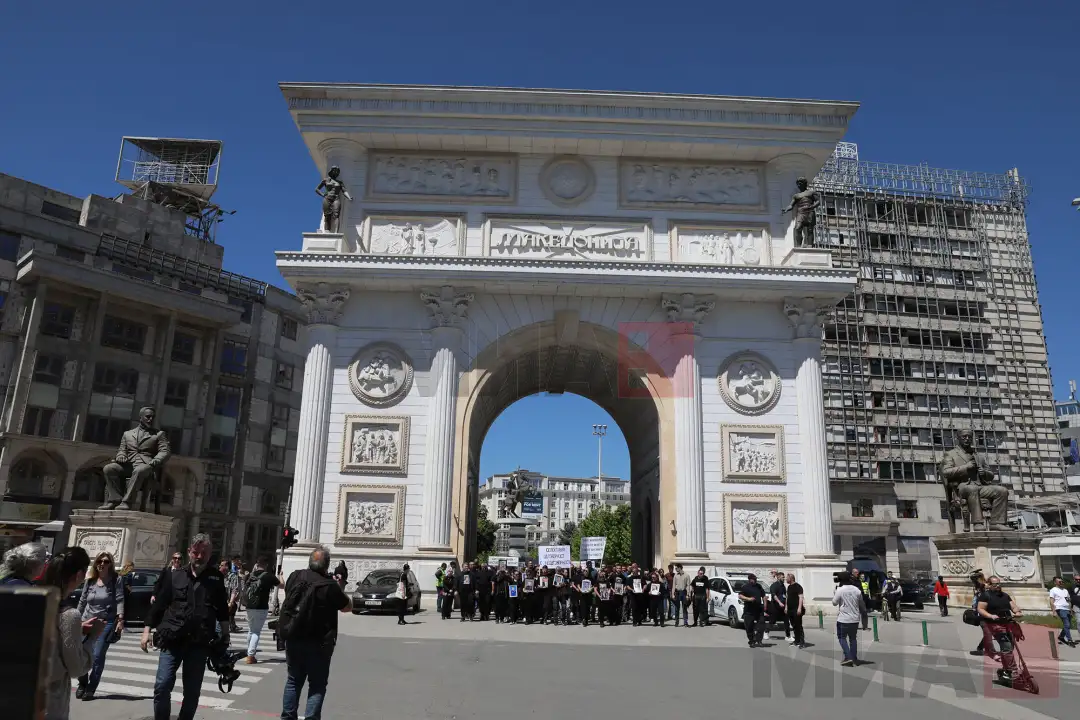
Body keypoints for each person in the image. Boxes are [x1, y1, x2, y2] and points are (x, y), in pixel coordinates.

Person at [141, 533, 230, 720]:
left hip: (199, 643)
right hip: (172, 639)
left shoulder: (216, 579)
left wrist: (225, 634)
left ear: (210, 554)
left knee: (192, 691)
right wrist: (147, 630)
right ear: (189, 552)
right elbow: (159, 605)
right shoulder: (175, 576)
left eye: (204, 553)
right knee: (162, 685)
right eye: (196, 552)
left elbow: (222, 609)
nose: (199, 556)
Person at [280, 546, 353, 720]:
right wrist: (339, 587)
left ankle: (287, 717)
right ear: (326, 565)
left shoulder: (295, 576)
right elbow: (347, 607)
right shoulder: (329, 585)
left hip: (294, 636)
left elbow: (288, 593)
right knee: (317, 685)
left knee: (293, 680)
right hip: (319, 642)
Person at [43, 547, 99, 720]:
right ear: (79, 575)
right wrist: (93, 637)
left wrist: (78, 628)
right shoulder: (69, 615)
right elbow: (77, 668)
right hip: (50, 700)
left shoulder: (33, 599)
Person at [75, 551, 125, 701]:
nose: (102, 564)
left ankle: (91, 688)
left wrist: (120, 619)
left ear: (110, 564)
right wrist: (76, 618)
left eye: (106, 562)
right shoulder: (90, 581)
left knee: (97, 656)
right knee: (81, 654)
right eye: (99, 561)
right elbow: (82, 601)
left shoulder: (116, 580)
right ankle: (82, 683)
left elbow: (120, 599)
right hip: (86, 620)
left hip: (105, 622)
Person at [977, 576, 1023, 679]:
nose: (998, 586)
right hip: (994, 625)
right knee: (1006, 647)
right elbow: (980, 609)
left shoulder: (1005, 595)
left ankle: (1005, 670)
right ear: (989, 585)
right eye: (995, 584)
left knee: (1010, 647)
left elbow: (1013, 606)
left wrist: (1017, 612)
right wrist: (990, 616)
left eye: (999, 583)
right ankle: (1012, 671)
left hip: (1007, 623)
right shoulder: (986, 595)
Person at [243, 557, 281, 663]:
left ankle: (249, 653)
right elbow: (282, 585)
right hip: (261, 606)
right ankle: (250, 656)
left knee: (251, 630)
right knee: (256, 632)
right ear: (266, 565)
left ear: (257, 564)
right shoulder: (268, 576)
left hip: (249, 606)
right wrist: (280, 576)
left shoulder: (250, 575)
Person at [833, 573, 866, 667]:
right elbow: (861, 604)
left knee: (842, 637)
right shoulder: (857, 590)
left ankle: (848, 657)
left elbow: (834, 603)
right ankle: (854, 657)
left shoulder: (840, 590)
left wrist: (835, 592)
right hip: (855, 619)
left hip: (843, 619)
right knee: (853, 638)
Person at [738, 574, 766, 646]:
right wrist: (749, 599)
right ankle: (752, 641)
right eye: (754, 579)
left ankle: (759, 640)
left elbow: (763, 596)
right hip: (749, 610)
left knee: (761, 625)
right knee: (749, 627)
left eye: (755, 579)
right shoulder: (745, 587)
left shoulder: (759, 586)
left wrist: (765, 605)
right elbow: (740, 596)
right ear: (750, 579)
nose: (755, 580)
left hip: (759, 609)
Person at [1049, 576, 1075, 647]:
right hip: (1060, 608)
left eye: (1062, 581)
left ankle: (1061, 637)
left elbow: (1068, 600)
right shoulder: (1053, 590)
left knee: (1068, 625)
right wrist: (1054, 611)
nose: (1061, 583)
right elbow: (1051, 601)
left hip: (1067, 609)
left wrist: (1071, 609)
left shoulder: (1065, 590)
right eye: (1059, 581)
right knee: (1067, 624)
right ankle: (1070, 640)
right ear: (1055, 582)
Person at [766, 570, 791, 643]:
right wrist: (779, 602)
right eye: (783, 577)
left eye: (784, 577)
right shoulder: (774, 585)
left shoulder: (783, 586)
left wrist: (786, 606)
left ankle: (788, 636)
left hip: (783, 607)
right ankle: (766, 632)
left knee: (786, 621)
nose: (784, 578)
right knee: (772, 621)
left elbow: (784, 596)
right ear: (778, 577)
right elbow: (774, 596)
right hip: (775, 606)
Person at [786, 573, 806, 648]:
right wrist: (786, 607)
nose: (786, 579)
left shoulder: (798, 586)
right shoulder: (789, 587)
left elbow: (801, 597)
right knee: (794, 625)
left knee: (799, 626)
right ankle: (797, 641)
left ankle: (802, 642)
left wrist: (799, 608)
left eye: (787, 578)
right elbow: (787, 597)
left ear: (791, 578)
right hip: (790, 610)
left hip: (796, 609)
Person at [223, 558, 244, 633]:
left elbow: (234, 589)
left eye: (222, 565)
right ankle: (231, 626)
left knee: (231, 611)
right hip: (223, 599)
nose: (220, 566)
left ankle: (232, 626)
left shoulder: (232, 576)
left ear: (227, 567)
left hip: (228, 599)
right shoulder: (220, 575)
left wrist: (231, 601)